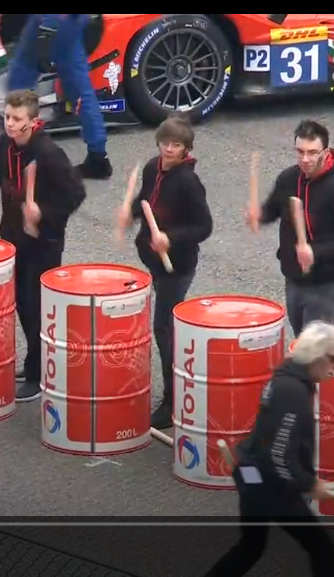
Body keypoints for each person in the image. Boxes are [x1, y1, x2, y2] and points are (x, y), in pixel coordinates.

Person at [205, 322, 334, 577]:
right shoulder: (293, 392)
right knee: (322, 548)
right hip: (269, 484)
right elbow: (278, 455)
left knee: (250, 547)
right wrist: (309, 483)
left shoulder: (286, 377)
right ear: (315, 354)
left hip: (251, 472)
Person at [0, 89, 86, 402]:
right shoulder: (5, 144)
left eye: (17, 119)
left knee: (36, 306)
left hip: (43, 243)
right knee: (19, 303)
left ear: (33, 121)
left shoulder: (49, 154)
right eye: (7, 117)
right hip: (13, 238)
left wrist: (43, 213)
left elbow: (75, 194)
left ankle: (39, 374)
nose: (10, 124)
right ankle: (34, 362)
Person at [118, 116, 213, 429]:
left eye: (176, 145)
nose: (169, 149)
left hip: (178, 265)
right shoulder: (152, 167)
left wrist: (170, 238)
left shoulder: (189, 182)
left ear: (186, 149)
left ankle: (174, 400)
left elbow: (204, 226)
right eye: (165, 143)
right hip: (154, 261)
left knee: (164, 328)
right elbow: (146, 199)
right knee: (165, 327)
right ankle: (178, 389)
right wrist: (131, 213)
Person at [247, 120, 334, 334]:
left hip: (327, 281)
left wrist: (315, 251)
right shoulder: (289, 178)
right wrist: (260, 216)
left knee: (312, 344)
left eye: (312, 153)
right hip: (294, 277)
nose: (304, 159)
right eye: (300, 151)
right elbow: (273, 208)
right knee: (300, 338)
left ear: (325, 152)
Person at [7, 14, 112, 180]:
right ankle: (98, 157)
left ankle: (15, 157)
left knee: (20, 82)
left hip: (51, 21)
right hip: (74, 21)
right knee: (80, 89)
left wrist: (45, 33)